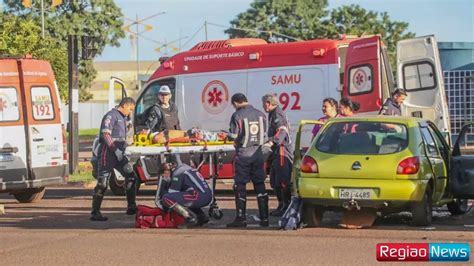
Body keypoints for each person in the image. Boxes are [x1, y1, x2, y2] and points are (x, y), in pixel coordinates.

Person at [91, 97, 137, 221]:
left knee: (131, 175)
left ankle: (131, 206)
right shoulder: (111, 116)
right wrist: (114, 149)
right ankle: (95, 212)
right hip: (108, 153)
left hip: (120, 153)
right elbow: (106, 134)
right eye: (130, 109)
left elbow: (126, 134)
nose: (130, 112)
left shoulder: (124, 117)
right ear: (126, 105)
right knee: (102, 183)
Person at [226, 93, 268, 228]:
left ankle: (241, 218)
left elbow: (233, 135)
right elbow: (265, 132)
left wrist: (228, 137)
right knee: (260, 184)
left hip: (243, 154)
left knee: (240, 185)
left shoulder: (237, 115)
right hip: (258, 153)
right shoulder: (261, 114)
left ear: (235, 103)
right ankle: (264, 218)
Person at [262, 93, 293, 217]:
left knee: (282, 180)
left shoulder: (277, 114)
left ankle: (286, 205)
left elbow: (282, 130)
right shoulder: (272, 114)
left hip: (282, 150)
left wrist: (272, 142)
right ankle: (281, 204)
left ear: (268, 103)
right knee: (274, 180)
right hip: (276, 151)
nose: (263, 106)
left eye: (264, 103)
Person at [157, 162, 212, 228]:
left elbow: (172, 193)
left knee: (166, 198)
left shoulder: (177, 174)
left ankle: (189, 218)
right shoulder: (186, 170)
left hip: (199, 196)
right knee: (184, 196)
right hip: (206, 195)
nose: (164, 177)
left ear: (166, 171)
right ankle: (201, 216)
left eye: (163, 175)